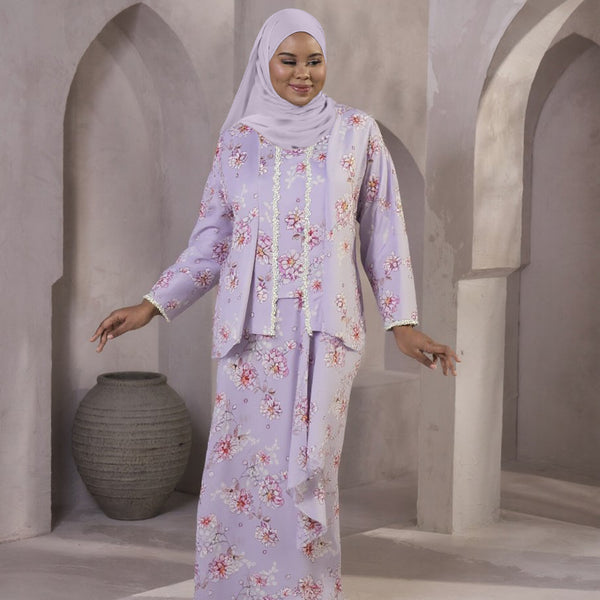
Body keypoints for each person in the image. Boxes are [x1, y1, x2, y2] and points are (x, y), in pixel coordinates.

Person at [91, 8, 459, 599]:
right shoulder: (239, 141)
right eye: (289, 61)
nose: (303, 74)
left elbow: (384, 231)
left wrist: (404, 323)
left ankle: (303, 591)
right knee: (244, 473)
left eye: (315, 61)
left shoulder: (357, 133)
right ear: (265, 62)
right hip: (251, 337)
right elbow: (213, 241)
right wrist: (152, 304)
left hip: (326, 335)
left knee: (310, 472)